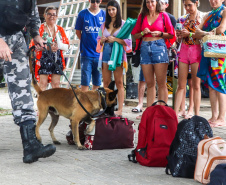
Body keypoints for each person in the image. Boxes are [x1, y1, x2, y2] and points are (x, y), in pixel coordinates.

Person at [0, 0, 56, 163]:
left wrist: (36, 35)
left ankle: (31, 145)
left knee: (23, 91)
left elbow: (31, 15)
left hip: (16, 40)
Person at [131, 0, 175, 107]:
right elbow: (134, 35)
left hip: (159, 48)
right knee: (149, 84)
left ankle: (162, 110)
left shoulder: (163, 15)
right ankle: (150, 112)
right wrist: (142, 33)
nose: (150, 4)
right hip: (145, 48)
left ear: (156, 2)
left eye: (152, 1)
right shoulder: (142, 16)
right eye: (147, 2)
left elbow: (171, 34)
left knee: (161, 84)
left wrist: (160, 33)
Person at [96, 0, 132, 117]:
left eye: (113, 9)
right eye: (109, 10)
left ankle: (120, 109)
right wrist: (102, 40)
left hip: (118, 56)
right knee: (106, 82)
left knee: (119, 82)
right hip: (106, 54)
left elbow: (128, 42)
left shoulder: (123, 24)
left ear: (117, 10)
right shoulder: (103, 25)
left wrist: (114, 39)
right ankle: (105, 107)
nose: (111, 12)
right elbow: (99, 40)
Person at [195, 0, 226, 127]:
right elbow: (196, 32)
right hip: (208, 52)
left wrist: (205, 33)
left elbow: (221, 29)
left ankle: (222, 117)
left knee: (219, 83)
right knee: (211, 84)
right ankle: (214, 116)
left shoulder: (224, 11)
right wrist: (207, 33)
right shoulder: (209, 14)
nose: (213, 1)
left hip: (219, 54)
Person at [174, 0, 203, 118]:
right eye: (185, 5)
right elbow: (179, 40)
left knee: (196, 85)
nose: (187, 8)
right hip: (184, 50)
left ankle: (196, 115)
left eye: (189, 5)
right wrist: (179, 36)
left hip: (196, 50)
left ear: (196, 3)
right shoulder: (182, 19)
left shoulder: (202, 17)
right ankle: (174, 114)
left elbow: (204, 35)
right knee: (181, 85)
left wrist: (189, 34)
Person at [30, 6, 69, 91]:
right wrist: (48, 48)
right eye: (49, 14)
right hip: (43, 57)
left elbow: (67, 45)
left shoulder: (60, 29)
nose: (52, 16)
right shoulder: (40, 29)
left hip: (57, 57)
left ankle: (55, 104)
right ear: (44, 15)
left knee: (56, 84)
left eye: (54, 14)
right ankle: (43, 103)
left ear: (57, 16)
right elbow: (33, 45)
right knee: (43, 83)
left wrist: (59, 46)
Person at [75, 0, 105, 92]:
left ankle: (94, 104)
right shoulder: (82, 14)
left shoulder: (104, 14)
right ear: (89, 1)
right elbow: (78, 32)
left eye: (97, 1)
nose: (95, 3)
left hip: (99, 54)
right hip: (86, 53)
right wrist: (85, 42)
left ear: (100, 1)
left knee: (97, 82)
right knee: (85, 82)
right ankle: (84, 105)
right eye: (92, 1)